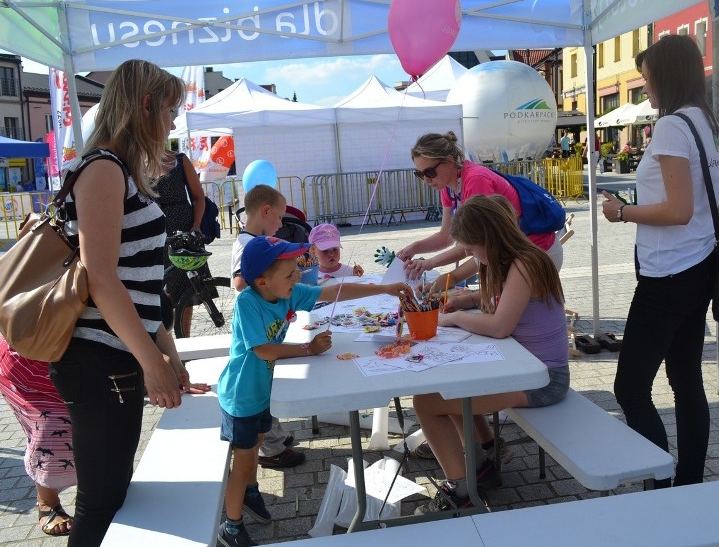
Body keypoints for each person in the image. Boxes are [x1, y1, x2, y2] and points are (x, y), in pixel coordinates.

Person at [48, 59, 207, 546]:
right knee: (101, 503)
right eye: (171, 110)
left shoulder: (121, 171)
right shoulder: (103, 169)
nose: (175, 122)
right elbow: (102, 281)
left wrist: (169, 354)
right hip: (98, 357)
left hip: (114, 354)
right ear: (145, 105)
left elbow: (140, 282)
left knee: (112, 496)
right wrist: (151, 362)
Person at [216, 235, 413, 547]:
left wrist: (384, 288)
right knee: (242, 460)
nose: (298, 276)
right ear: (262, 281)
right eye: (290, 273)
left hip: (263, 391)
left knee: (256, 444)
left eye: (297, 270)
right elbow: (264, 350)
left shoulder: (285, 293)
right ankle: (230, 525)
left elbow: (333, 291)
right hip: (242, 396)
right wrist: (308, 349)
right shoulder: (248, 302)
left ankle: (250, 492)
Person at [601, 35, 719, 488]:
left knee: (630, 389)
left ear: (667, 75)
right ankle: (689, 482)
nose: (646, 86)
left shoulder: (674, 126)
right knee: (685, 380)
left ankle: (661, 483)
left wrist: (622, 211)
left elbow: (677, 211)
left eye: (648, 77)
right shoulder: (711, 125)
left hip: (669, 273)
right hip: (698, 268)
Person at [412, 195, 569, 513]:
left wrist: (454, 316)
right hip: (525, 369)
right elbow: (500, 298)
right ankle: (481, 464)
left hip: (544, 380)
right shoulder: (515, 260)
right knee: (450, 385)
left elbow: (499, 326)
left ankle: (461, 495)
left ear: (489, 238)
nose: (468, 255)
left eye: (470, 248)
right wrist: (465, 299)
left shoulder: (526, 263)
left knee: (426, 403)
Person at [397, 131, 562, 280]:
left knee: (508, 312)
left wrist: (431, 264)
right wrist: (413, 249)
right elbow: (446, 236)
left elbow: (476, 243)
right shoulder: (447, 187)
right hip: (512, 255)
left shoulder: (475, 180)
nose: (426, 180)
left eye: (429, 173)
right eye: (420, 174)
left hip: (537, 252)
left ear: (449, 161)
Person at [230, 183, 306, 469]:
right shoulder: (250, 244)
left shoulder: (249, 241)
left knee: (266, 385)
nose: (281, 224)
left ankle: (275, 438)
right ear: (265, 211)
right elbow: (240, 281)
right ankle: (272, 448)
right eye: (280, 216)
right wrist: (271, 280)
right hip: (255, 329)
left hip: (260, 323)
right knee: (261, 388)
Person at [0, 336, 75, 536]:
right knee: (49, 426)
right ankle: (47, 501)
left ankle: (99, 489)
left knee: (103, 425)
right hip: (26, 360)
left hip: (88, 357)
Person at [153, 149, 209, 335]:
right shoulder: (134, 160)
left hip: (183, 230)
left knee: (187, 287)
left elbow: (198, 197)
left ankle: (185, 338)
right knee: (160, 287)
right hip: (154, 232)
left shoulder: (179, 160)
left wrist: (196, 226)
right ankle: (165, 338)